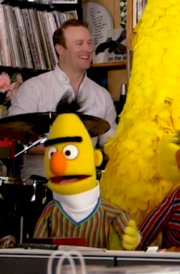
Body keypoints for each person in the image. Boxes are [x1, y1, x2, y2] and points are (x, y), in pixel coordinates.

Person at [9, 19, 117, 178]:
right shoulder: (33, 88)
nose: (87, 49)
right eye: (79, 43)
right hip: (40, 186)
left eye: (89, 43)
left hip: (85, 188)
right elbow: (18, 138)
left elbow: (110, 143)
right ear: (60, 49)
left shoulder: (102, 95)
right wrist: (70, 153)